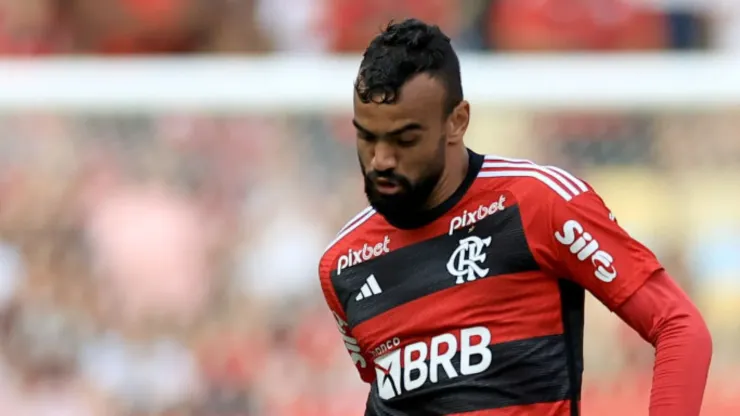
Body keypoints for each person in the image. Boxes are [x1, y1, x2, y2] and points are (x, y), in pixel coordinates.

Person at [317, 18, 712, 416]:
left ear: (457, 122)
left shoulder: (538, 202)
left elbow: (679, 327)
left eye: (405, 139)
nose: (381, 160)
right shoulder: (342, 265)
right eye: (367, 137)